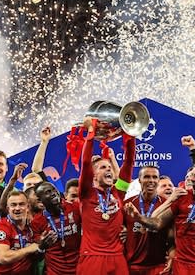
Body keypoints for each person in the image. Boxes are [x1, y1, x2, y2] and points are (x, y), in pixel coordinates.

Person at [76, 117, 136, 275]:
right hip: (92, 258)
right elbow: (86, 164)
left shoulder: (119, 192)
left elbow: (129, 162)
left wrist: (130, 135)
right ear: (94, 175)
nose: (109, 169)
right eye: (103, 167)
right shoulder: (86, 193)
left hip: (117, 257)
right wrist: (90, 134)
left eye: (110, 166)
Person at [0, 190, 53, 275]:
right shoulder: (2, 227)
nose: (17, 208)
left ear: (28, 207)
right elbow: (4, 258)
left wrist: (41, 246)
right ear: (8, 209)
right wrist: (29, 249)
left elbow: (36, 256)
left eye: (21, 204)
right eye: (13, 205)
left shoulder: (31, 228)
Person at [124, 166, 172, 275]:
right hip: (132, 266)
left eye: (155, 177)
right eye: (147, 177)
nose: (151, 180)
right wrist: (123, 229)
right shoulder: (127, 204)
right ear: (139, 180)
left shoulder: (167, 205)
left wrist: (172, 255)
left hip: (158, 266)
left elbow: (172, 236)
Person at [32, 182, 81, 275]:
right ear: (40, 200)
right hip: (55, 271)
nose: (53, 193)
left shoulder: (75, 208)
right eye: (48, 192)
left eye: (54, 190)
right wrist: (42, 247)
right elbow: (36, 257)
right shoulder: (37, 222)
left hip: (80, 269)